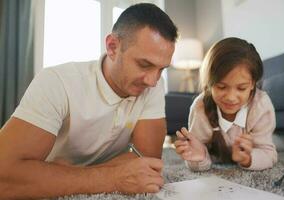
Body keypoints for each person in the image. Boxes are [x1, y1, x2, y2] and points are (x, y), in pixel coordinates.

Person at [0, 3, 177, 199]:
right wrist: (113, 178)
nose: (153, 81)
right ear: (112, 47)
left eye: (162, 69)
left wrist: (62, 174)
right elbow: (4, 176)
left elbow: (147, 159)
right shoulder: (57, 82)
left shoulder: (152, 85)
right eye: (144, 64)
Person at [174, 37, 277, 171]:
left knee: (283, 143)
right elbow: (196, 156)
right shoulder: (200, 107)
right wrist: (198, 157)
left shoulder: (261, 104)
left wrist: (248, 158)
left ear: (252, 84)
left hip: (261, 137)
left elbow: (268, 154)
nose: (231, 98)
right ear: (209, 84)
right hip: (220, 150)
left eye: (241, 88)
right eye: (221, 87)